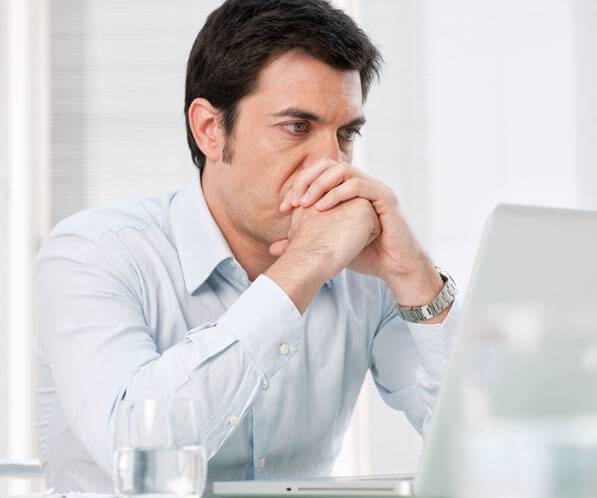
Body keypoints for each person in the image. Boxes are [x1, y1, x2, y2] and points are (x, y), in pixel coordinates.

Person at [34, 0, 459, 493]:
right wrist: (305, 267)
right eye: (297, 127)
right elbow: (139, 450)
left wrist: (417, 281)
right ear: (210, 130)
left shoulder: (365, 268)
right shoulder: (92, 254)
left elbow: (488, 444)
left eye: (345, 134)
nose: (331, 162)